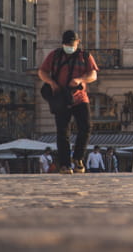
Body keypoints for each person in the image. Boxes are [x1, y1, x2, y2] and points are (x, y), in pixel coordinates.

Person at [38, 29, 99, 174]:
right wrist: (51, 82)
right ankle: (65, 164)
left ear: (78, 42)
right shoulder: (55, 55)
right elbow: (42, 72)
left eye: (71, 44)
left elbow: (93, 75)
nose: (69, 47)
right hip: (61, 98)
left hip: (79, 97)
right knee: (63, 132)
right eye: (66, 44)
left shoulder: (85, 56)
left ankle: (78, 158)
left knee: (86, 127)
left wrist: (80, 79)